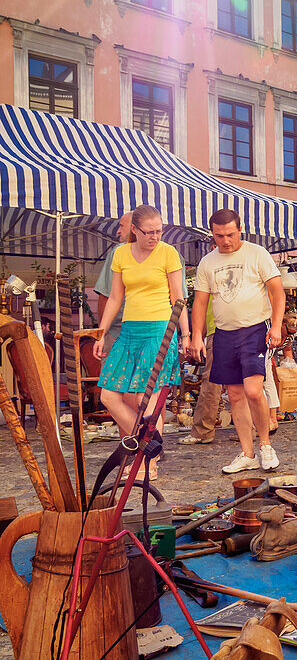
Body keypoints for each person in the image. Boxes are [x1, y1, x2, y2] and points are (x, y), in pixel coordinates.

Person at [94, 204, 189, 479]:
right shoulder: (120, 253)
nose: (155, 237)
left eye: (159, 231)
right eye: (149, 232)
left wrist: (185, 334)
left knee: (143, 400)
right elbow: (115, 298)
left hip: (160, 330)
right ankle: (148, 445)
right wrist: (101, 333)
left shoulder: (168, 253)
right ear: (134, 230)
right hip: (129, 331)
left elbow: (178, 297)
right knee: (109, 395)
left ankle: (149, 464)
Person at [189, 209, 284, 474]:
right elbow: (200, 301)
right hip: (224, 333)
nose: (225, 240)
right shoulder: (207, 262)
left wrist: (276, 325)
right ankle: (247, 453)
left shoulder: (257, 253)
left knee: (254, 390)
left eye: (230, 234)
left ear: (240, 230)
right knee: (234, 394)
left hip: (255, 329)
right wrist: (197, 335)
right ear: (212, 234)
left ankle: (265, 445)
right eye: (219, 235)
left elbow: (277, 291)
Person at [93, 213, 132, 353]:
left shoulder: (119, 251)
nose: (118, 231)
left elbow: (105, 295)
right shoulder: (169, 254)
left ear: (133, 227)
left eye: (121, 226)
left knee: (113, 374)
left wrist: (101, 333)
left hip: (119, 334)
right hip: (122, 333)